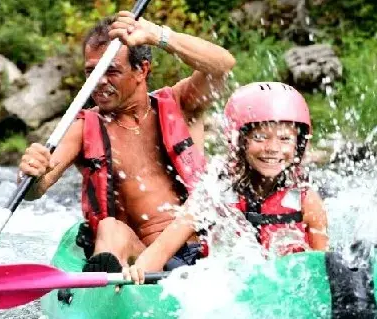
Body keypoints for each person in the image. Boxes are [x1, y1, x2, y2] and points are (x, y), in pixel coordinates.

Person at [17, 10, 236, 273]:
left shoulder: (180, 104)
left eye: (111, 71)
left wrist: (159, 36)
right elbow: (35, 190)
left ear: (141, 70)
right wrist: (29, 174)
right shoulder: (82, 128)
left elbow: (222, 65)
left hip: (200, 249)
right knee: (110, 228)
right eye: (92, 71)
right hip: (138, 261)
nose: (99, 82)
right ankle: (104, 290)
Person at [124, 82, 329, 284]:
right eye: (259, 137)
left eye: (285, 139)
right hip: (222, 291)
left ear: (299, 144)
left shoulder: (305, 200)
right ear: (239, 141)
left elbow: (322, 269)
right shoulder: (214, 191)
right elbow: (162, 249)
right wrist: (139, 271)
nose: (273, 148)